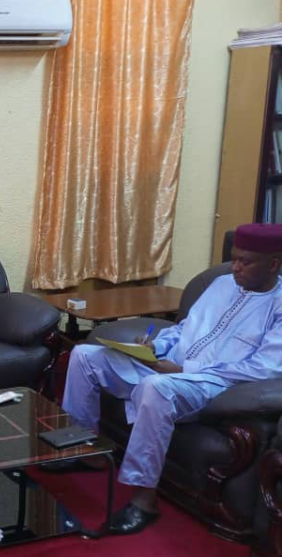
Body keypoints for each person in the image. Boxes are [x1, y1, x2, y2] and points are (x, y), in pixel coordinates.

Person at [60, 223, 282, 535]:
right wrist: (155, 347)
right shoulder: (221, 284)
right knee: (85, 355)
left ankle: (144, 500)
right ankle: (85, 450)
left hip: (211, 386)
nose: (235, 267)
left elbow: (263, 368)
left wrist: (183, 371)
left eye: (245, 261)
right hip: (168, 369)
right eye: (233, 258)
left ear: (273, 264)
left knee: (156, 388)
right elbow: (183, 329)